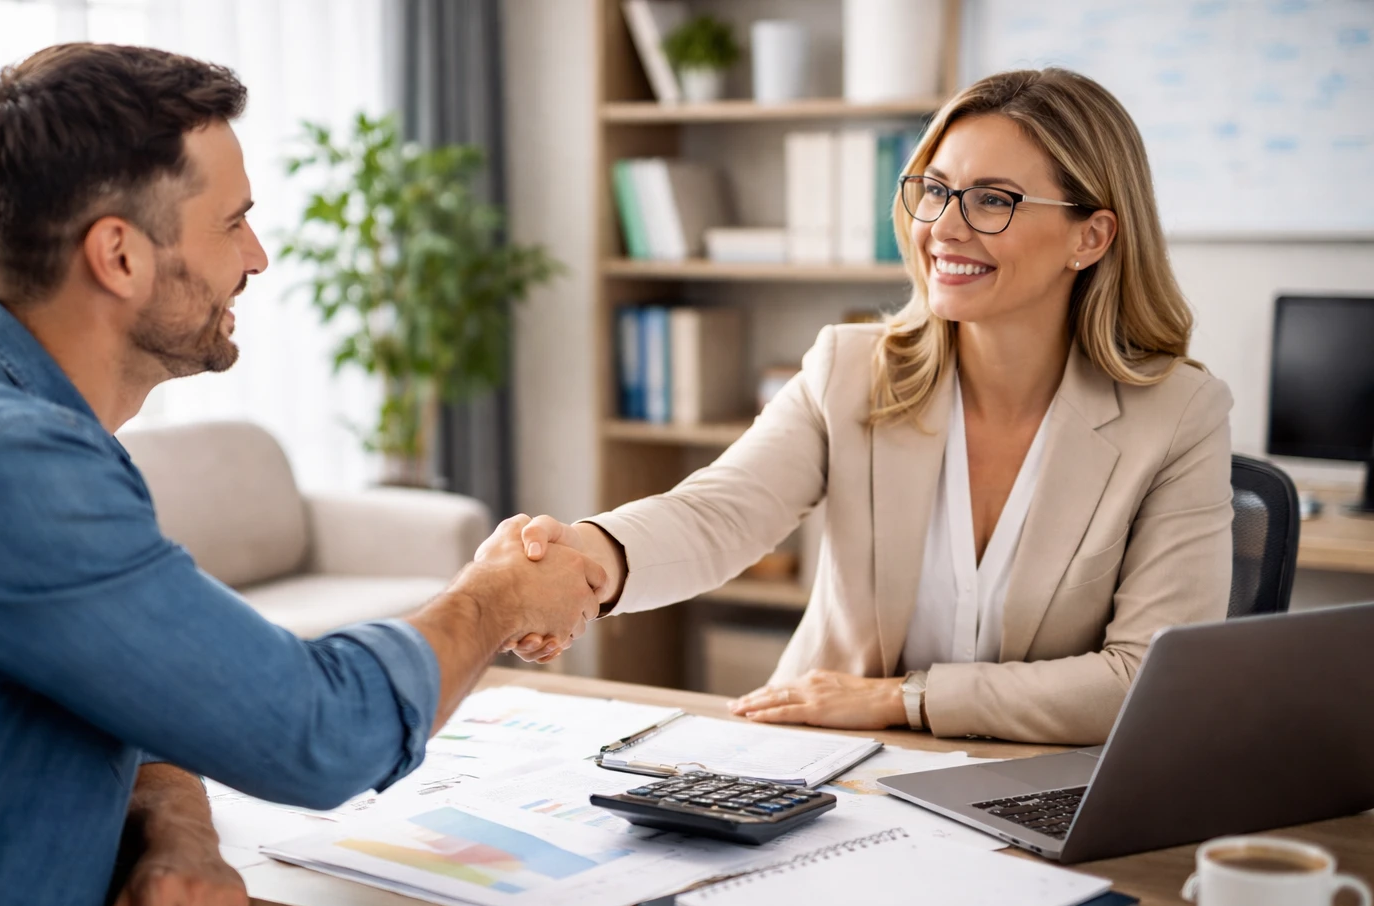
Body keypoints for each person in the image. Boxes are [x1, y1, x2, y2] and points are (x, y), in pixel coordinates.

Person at [0, 44, 601, 906]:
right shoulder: (4, 470)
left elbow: (123, 676)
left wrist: (175, 817)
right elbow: (319, 732)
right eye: (233, 222)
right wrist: (497, 595)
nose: (258, 256)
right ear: (119, 255)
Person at [514, 68, 1233, 747]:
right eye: (935, 190)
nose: (944, 229)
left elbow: (1146, 677)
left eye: (992, 199)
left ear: (1092, 236)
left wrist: (905, 699)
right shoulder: (851, 369)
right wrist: (588, 557)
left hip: (1033, 790)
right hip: (829, 767)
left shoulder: (1177, 415)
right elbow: (719, 514)